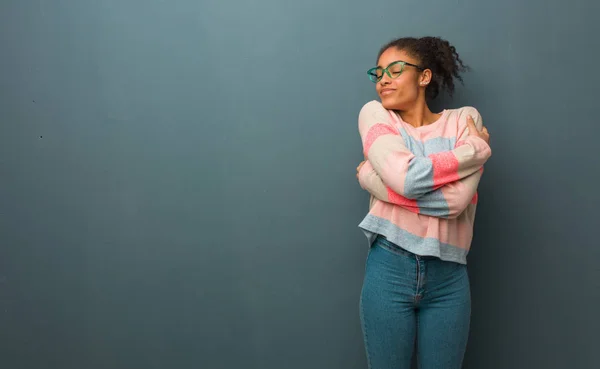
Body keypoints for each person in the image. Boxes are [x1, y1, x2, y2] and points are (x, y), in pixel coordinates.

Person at [355, 36, 492, 369]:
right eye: (379, 72)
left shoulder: (464, 120)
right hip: (389, 268)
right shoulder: (376, 116)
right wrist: (477, 150)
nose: (383, 78)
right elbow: (408, 180)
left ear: (424, 76)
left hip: (449, 275)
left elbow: (457, 201)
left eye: (395, 69)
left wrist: (370, 179)